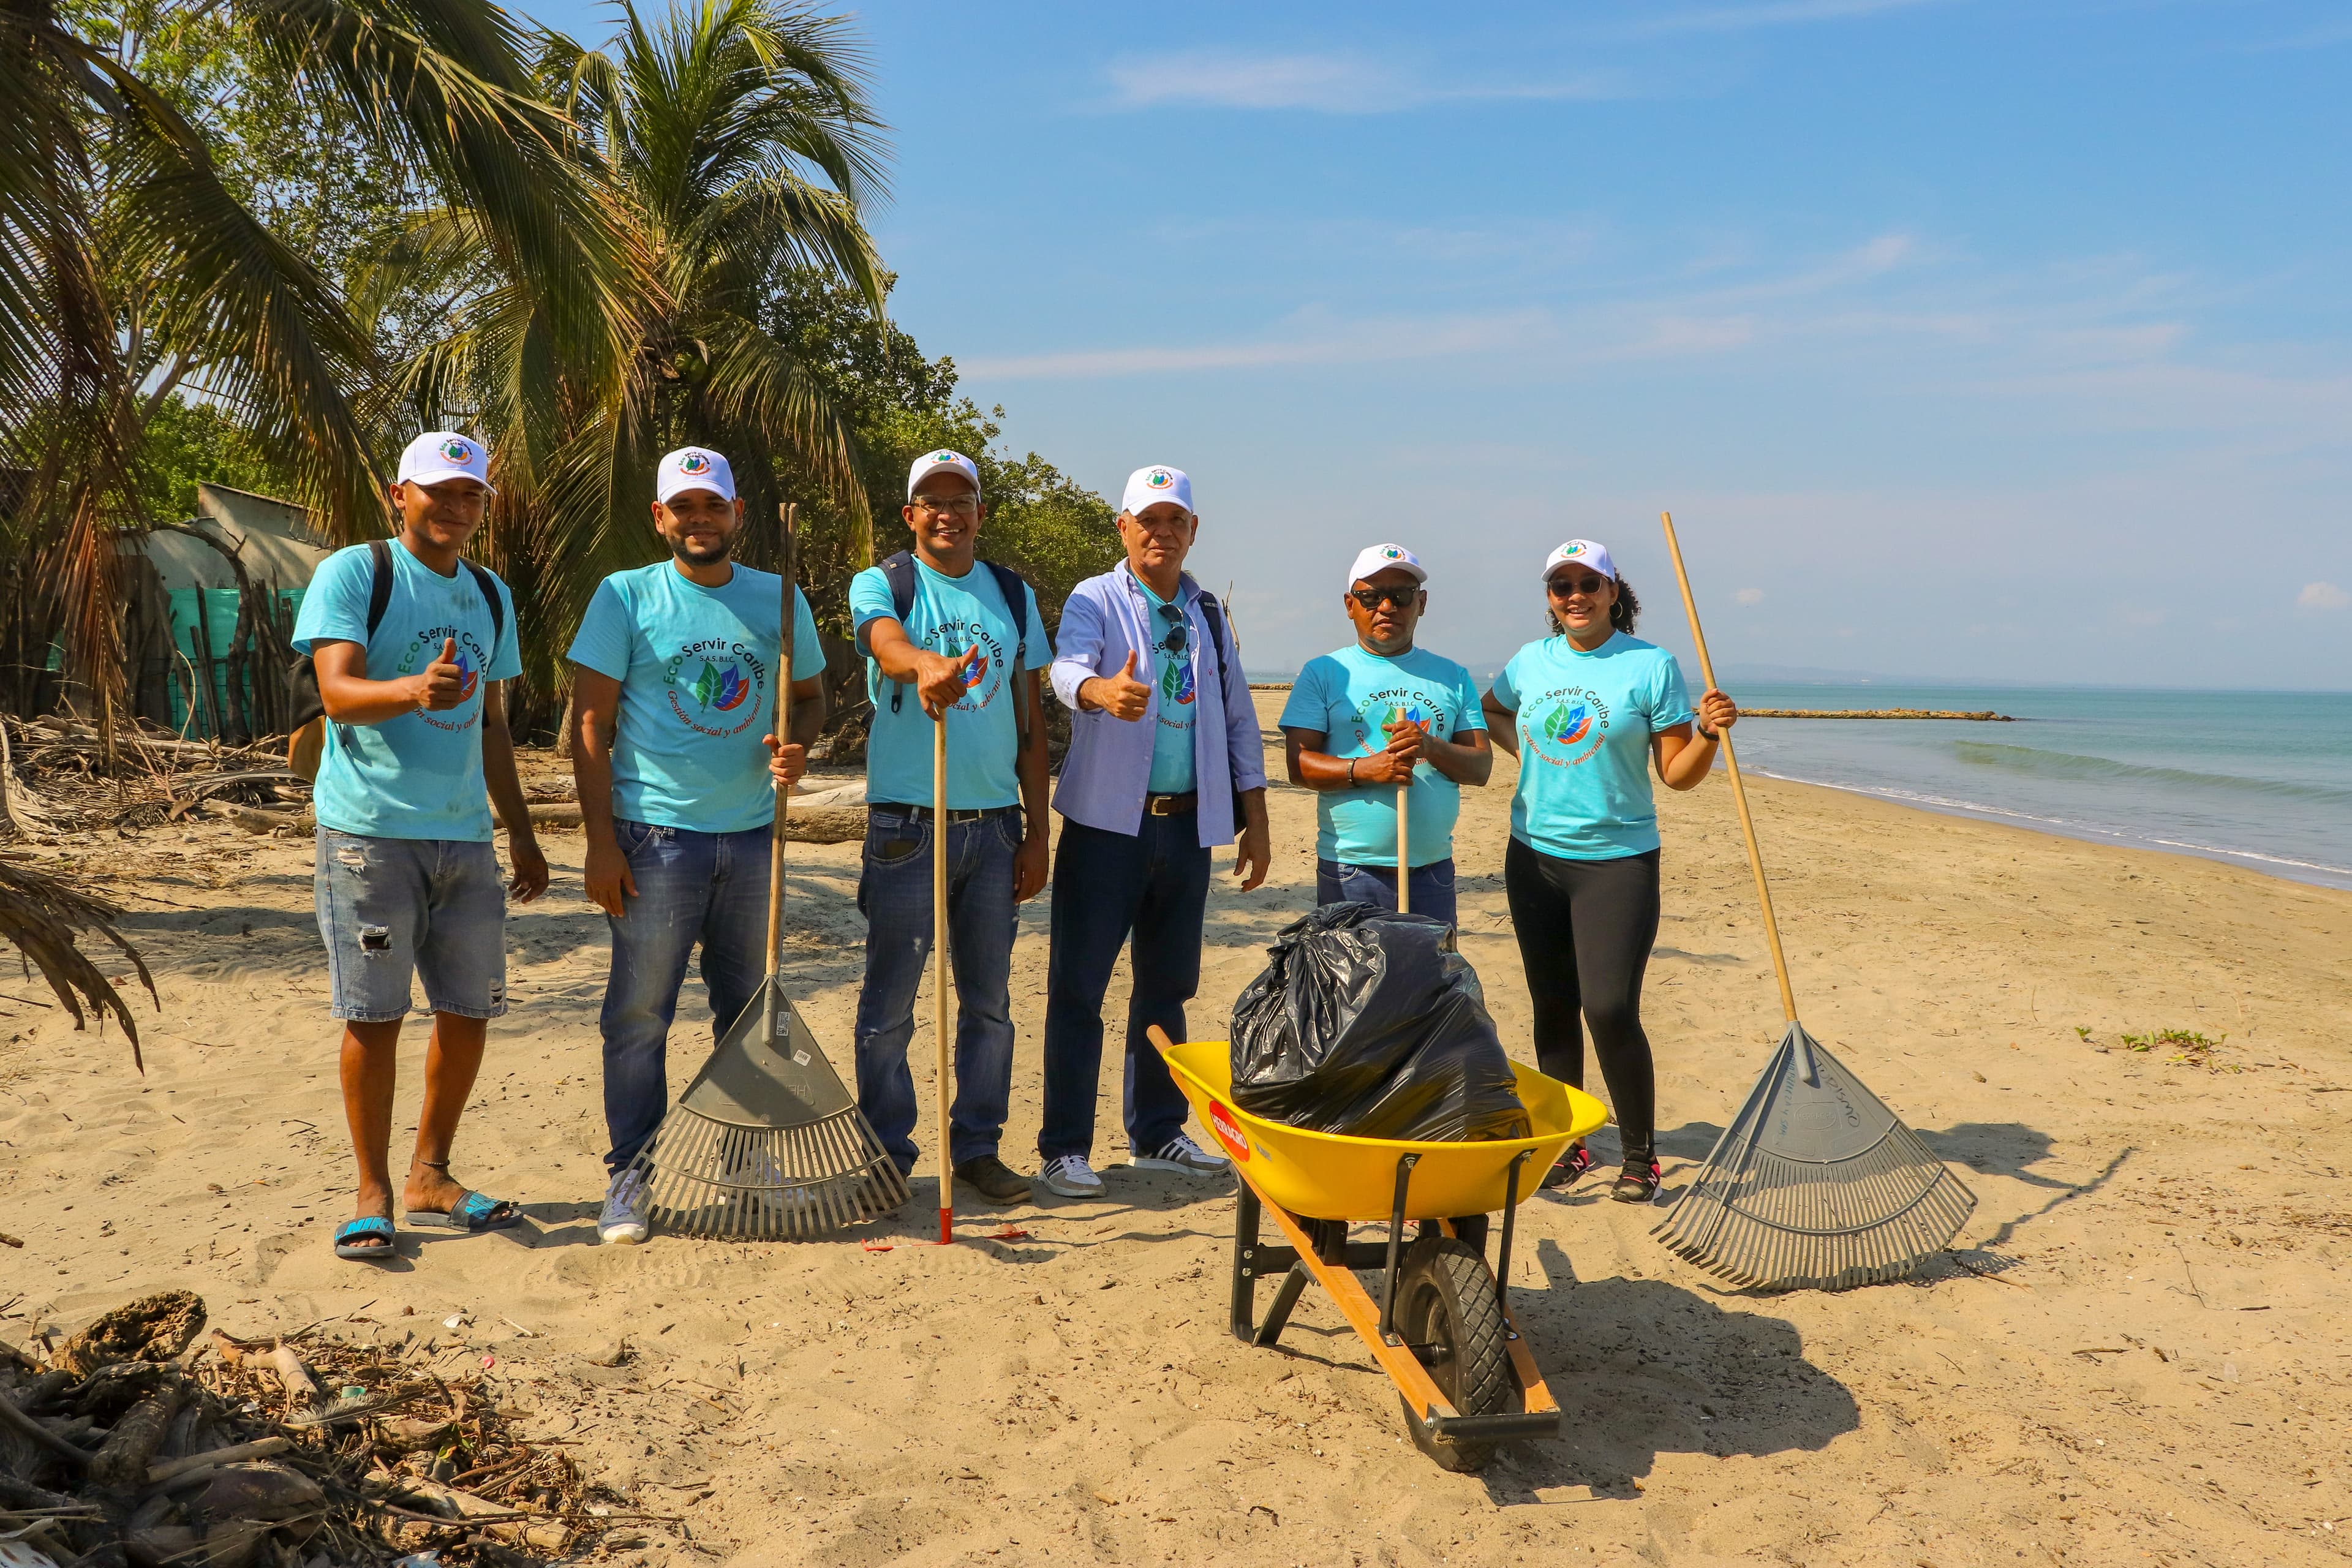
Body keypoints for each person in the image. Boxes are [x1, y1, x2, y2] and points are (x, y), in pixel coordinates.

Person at [294, 431, 548, 1262]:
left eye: (470, 494)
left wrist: (521, 832)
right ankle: (371, 1193)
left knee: (470, 1010)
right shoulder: (357, 573)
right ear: (399, 494)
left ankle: (430, 1175)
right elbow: (337, 692)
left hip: (464, 838)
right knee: (375, 1016)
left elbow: (493, 725)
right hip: (368, 834)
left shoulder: (490, 593)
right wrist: (412, 688)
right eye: (438, 490)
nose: (455, 506)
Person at [565, 446, 827, 1246]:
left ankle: (747, 1161)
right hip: (655, 840)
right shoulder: (625, 596)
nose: (700, 519)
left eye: (713, 504)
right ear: (660, 517)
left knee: (748, 1011)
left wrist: (798, 745)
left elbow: (810, 697)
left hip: (751, 837)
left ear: (737, 513)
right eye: (684, 507)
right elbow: (589, 722)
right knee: (639, 1015)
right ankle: (631, 1176)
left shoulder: (780, 598)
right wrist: (601, 844)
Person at [1036, 465, 1270, 1200]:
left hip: (1188, 827)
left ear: (1193, 530)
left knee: (1168, 987)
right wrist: (1101, 690)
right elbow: (1064, 670)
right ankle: (1065, 1148)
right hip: (1108, 827)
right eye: (1148, 520)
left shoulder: (1206, 611)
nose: (1161, 533)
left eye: (1175, 521)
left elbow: (1238, 719)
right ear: (1124, 527)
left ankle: (1158, 1132)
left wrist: (1256, 821)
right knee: (1079, 988)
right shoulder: (1095, 597)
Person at [1482, 539, 1738, 1204]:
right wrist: (1526, 751)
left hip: (1617, 861)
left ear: (1613, 591)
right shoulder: (1529, 660)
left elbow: (1676, 775)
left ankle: (1640, 1155)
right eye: (1561, 585)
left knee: (1609, 1006)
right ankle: (1568, 1143)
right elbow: (1493, 709)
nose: (1575, 596)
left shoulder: (1650, 665)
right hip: (1533, 854)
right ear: (1550, 597)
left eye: (1588, 583)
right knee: (1553, 1004)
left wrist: (1708, 734)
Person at [846, 450, 1052, 1206]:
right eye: (931, 501)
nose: (947, 513)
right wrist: (923, 664)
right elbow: (884, 641)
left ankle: (978, 1149)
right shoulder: (885, 582)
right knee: (890, 1006)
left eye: (960, 500)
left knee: (989, 1005)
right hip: (908, 824)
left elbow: (1031, 723)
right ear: (911, 514)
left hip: (994, 829)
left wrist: (1038, 833)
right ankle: (887, 1155)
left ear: (980, 512)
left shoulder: (1013, 593)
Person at [1279, 544, 1490, 929]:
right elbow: (1298, 765)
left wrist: (1430, 746)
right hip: (1351, 871)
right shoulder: (1324, 672)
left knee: (1427, 971)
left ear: (1421, 603)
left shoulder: (1453, 676)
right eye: (1371, 597)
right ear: (1350, 605)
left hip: (1431, 871)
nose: (1387, 607)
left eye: (1402, 595)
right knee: (1354, 973)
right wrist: (1364, 769)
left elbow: (1480, 768)